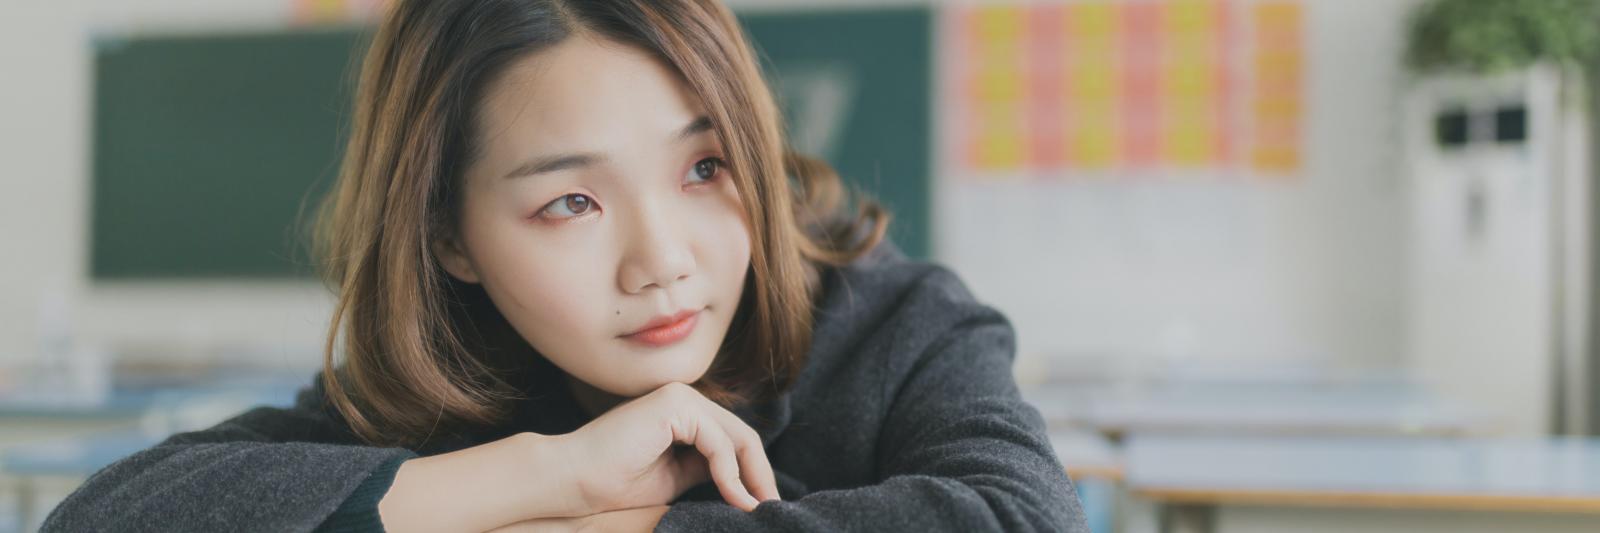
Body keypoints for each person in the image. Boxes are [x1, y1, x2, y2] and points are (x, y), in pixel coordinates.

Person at [43, 1, 1088, 531]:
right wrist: (550, 472)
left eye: (705, 164)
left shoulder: (897, 326)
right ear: (449, 233)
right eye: (571, 201)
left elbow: (1019, 518)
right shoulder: (450, 381)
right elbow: (108, 516)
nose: (663, 260)